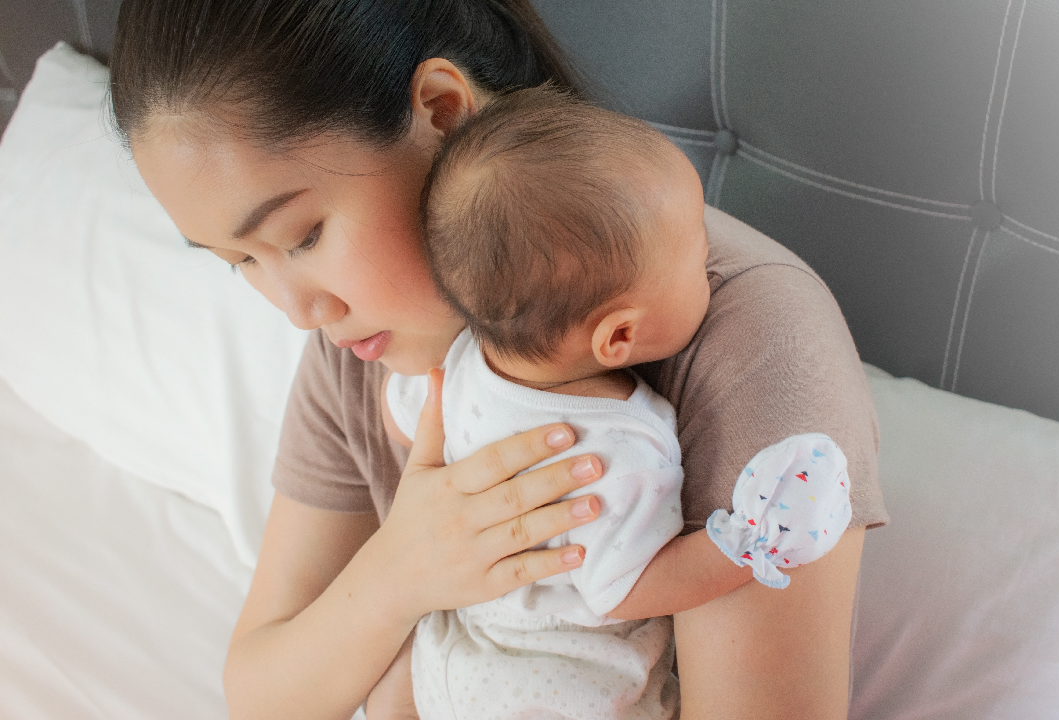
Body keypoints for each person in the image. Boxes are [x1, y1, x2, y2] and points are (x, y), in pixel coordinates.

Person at [109, 1, 888, 718]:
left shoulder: (746, 336)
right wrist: (402, 573)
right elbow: (261, 693)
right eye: (238, 262)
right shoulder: (367, 339)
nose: (298, 310)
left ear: (444, 113)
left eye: (303, 237)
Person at [363, 85, 853, 719]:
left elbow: (399, 416)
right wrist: (738, 550)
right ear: (620, 336)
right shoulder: (621, 447)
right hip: (566, 695)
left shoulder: (460, 363)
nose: (712, 270)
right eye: (699, 259)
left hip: (452, 669)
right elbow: (622, 588)